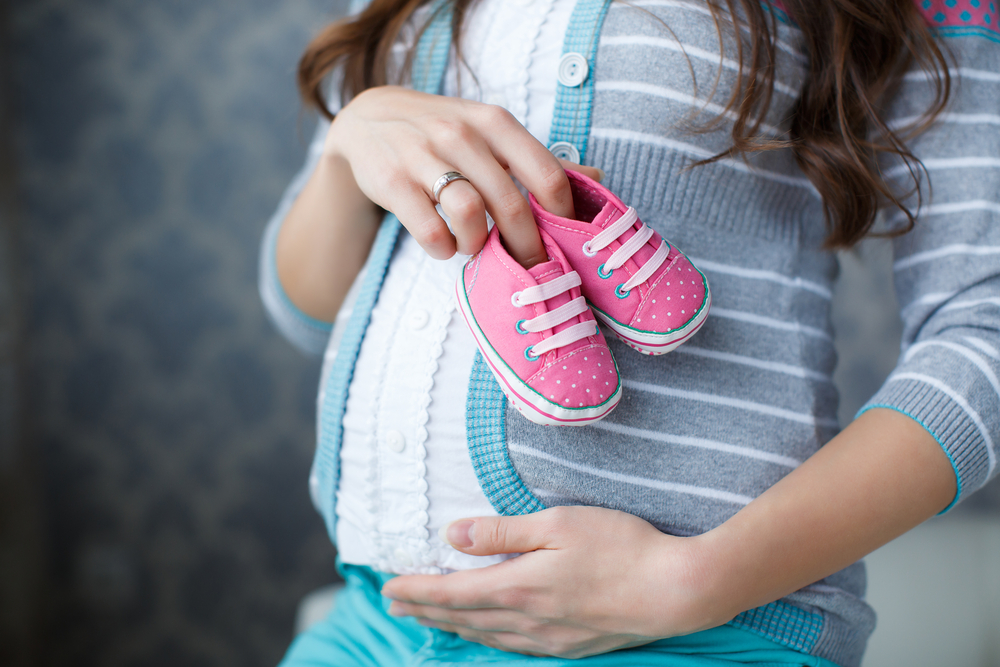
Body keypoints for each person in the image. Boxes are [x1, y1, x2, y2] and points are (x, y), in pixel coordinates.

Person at [259, 0, 1000, 665]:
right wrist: (343, 148)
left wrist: (700, 579)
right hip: (375, 622)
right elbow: (308, 308)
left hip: (697, 633)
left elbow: (982, 328)